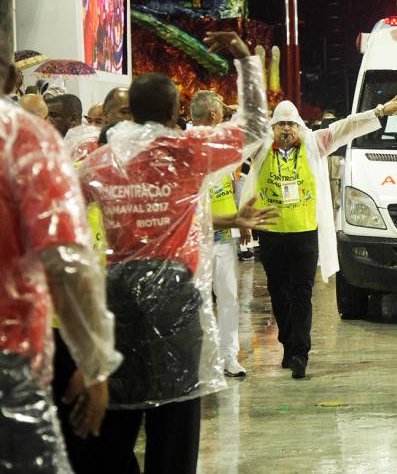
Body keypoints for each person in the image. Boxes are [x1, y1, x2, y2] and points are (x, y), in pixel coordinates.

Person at [78, 31, 270, 473]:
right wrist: (245, 60)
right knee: (177, 410)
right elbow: (255, 127)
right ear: (174, 112)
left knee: (119, 406)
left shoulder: (102, 161)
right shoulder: (188, 150)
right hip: (174, 291)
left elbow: (62, 208)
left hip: (117, 289)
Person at [1, 54, 121, 473]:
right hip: (13, 354)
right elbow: (66, 261)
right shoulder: (25, 140)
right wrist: (94, 361)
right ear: (12, 76)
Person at [243, 94, 397, 379]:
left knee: (301, 294)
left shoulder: (314, 143)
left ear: (299, 126)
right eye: (280, 124)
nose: (285, 130)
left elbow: (346, 126)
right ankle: (288, 341)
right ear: (272, 127)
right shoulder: (260, 147)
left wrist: (380, 111)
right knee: (278, 293)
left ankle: (299, 354)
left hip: (305, 235)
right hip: (271, 235)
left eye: (290, 124)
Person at [190, 90, 247, 378]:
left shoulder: (225, 145)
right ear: (213, 115)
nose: (225, 114)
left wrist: (240, 220)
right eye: (221, 111)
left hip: (224, 237)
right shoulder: (186, 146)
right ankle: (203, 358)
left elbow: (235, 184)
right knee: (198, 300)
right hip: (195, 240)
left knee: (228, 297)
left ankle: (228, 356)